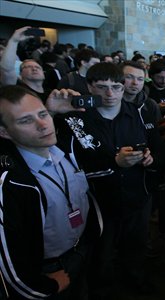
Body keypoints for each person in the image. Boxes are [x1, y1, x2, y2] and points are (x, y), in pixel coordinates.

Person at [53, 62, 160, 297]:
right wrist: (115, 162)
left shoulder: (136, 114)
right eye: (102, 87)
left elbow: (148, 146)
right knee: (101, 255)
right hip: (98, 202)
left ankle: (135, 283)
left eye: (116, 87)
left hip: (136, 195)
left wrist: (146, 158)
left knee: (135, 249)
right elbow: (68, 166)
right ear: (90, 87)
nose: (110, 94)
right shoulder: (76, 120)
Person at [0, 85, 102, 299]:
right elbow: (9, 259)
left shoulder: (64, 148)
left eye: (43, 114)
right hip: (48, 269)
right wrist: (44, 287)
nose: (42, 125)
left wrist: (54, 111)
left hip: (82, 249)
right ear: (4, 132)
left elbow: (103, 150)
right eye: (25, 121)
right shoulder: (10, 182)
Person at [0, 27, 52, 101]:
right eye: (28, 67)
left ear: (43, 74)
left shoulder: (51, 94)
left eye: (38, 67)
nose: (34, 68)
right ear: (20, 75)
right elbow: (6, 69)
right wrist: (14, 41)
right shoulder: (16, 90)